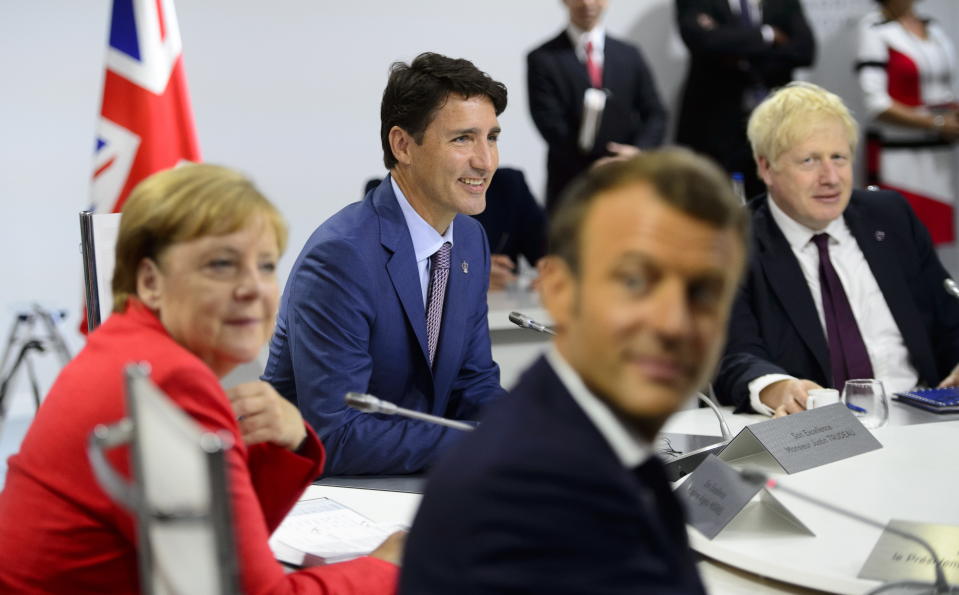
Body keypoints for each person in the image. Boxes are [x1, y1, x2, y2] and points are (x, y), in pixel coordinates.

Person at [0, 164, 402, 593]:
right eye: (222, 265)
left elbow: (214, 550)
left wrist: (285, 447)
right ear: (150, 281)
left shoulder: (126, 347)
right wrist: (392, 566)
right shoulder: (170, 380)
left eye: (266, 265)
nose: (253, 288)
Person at [400, 149, 747, 594]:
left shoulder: (609, 449)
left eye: (704, 292)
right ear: (559, 290)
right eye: (636, 281)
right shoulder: (522, 498)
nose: (673, 322)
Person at [264, 53, 507, 476]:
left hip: (416, 482)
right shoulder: (341, 256)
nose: (485, 161)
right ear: (402, 145)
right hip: (331, 497)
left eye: (492, 137)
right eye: (463, 139)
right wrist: (480, 442)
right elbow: (334, 435)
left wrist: (529, 429)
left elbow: (473, 382)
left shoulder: (469, 239)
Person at [715, 82, 959, 417]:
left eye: (839, 158)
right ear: (766, 168)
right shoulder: (734, 242)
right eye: (809, 161)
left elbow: (949, 318)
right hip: (821, 436)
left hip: (924, 419)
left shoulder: (890, 216)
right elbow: (733, 356)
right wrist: (778, 388)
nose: (830, 177)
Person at [528, 0, 667, 212]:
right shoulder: (543, 58)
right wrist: (593, 166)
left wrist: (637, 152)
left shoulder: (630, 55)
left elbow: (655, 113)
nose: (587, 3)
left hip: (628, 177)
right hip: (571, 183)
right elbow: (549, 123)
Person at [675, 0, 814, 198]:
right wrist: (769, 35)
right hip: (712, 126)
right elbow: (704, 42)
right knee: (707, 206)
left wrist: (734, 48)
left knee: (770, 208)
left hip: (772, 128)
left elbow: (805, 51)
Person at [857, 0, 959, 244]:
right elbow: (876, 104)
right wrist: (935, 123)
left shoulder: (933, 28)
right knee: (900, 240)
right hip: (899, 157)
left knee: (937, 244)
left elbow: (944, 90)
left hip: (940, 156)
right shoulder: (874, 29)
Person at [469, 166, 547, 290]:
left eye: (492, 144)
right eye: (461, 144)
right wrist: (463, 273)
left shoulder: (508, 185)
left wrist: (560, 267)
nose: (485, 162)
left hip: (506, 305)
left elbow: (550, 249)